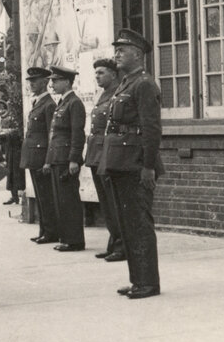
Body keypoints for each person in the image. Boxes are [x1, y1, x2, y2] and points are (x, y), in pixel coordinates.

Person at [100, 28, 164, 300]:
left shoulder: (145, 84)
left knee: (139, 224)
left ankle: (148, 282)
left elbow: (151, 128)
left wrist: (148, 166)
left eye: (122, 50)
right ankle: (137, 279)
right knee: (127, 225)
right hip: (120, 162)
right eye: (116, 50)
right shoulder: (126, 83)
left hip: (137, 164)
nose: (117, 54)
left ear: (137, 54)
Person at [42, 66, 87, 251]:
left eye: (55, 80)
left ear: (67, 82)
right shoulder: (62, 103)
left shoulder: (74, 103)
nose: (52, 84)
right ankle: (66, 237)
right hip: (57, 158)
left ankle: (74, 240)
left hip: (66, 159)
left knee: (69, 201)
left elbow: (77, 133)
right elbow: (54, 135)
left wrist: (74, 159)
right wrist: (49, 159)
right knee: (61, 200)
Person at [86, 58, 125, 262]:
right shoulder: (104, 95)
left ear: (113, 74)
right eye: (96, 73)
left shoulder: (117, 94)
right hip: (96, 154)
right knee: (106, 203)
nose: (97, 76)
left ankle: (121, 246)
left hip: (107, 154)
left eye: (101, 72)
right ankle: (113, 242)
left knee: (113, 202)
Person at [20, 67, 59, 244]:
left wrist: (48, 160)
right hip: (34, 156)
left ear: (45, 82)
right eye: (30, 81)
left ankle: (50, 232)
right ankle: (44, 230)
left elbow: (52, 134)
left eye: (35, 81)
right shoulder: (37, 103)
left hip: (42, 156)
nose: (32, 84)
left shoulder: (49, 104)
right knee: (40, 195)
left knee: (46, 196)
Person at [0, 101, 25, 205]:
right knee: (10, 172)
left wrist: (6, 132)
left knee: (17, 172)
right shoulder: (0, 119)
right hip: (8, 148)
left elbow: (17, 131)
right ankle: (14, 195)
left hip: (16, 148)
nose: (1, 111)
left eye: (2, 108)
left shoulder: (13, 118)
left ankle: (19, 194)